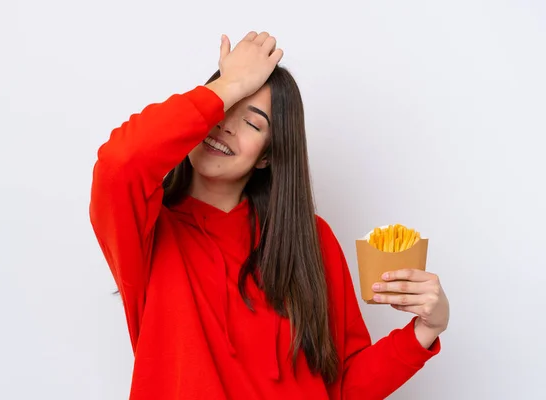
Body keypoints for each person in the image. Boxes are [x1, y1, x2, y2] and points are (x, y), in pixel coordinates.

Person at [89, 31, 449, 400]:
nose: (226, 124)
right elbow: (119, 163)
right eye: (224, 106)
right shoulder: (147, 231)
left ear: (267, 156)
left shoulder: (309, 238)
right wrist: (230, 83)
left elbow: (343, 387)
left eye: (253, 122)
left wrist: (425, 329)